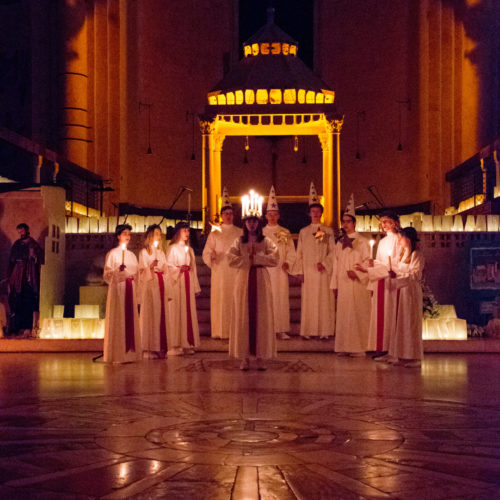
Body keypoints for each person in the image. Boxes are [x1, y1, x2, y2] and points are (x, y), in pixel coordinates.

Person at [227, 213, 279, 370]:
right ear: (245, 223)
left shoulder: (266, 241)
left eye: (254, 221)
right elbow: (230, 258)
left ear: (258, 223)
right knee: (243, 315)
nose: (251, 224)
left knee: (261, 316)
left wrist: (257, 259)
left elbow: (275, 258)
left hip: (260, 278)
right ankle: (245, 357)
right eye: (249, 221)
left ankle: (261, 356)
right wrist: (246, 260)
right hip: (243, 279)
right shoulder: (238, 241)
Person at [356, 210, 400, 360]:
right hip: (381, 279)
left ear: (395, 222)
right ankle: (381, 347)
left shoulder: (399, 240)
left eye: (387, 221)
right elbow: (381, 262)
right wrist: (372, 265)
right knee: (381, 315)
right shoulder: (382, 242)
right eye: (382, 222)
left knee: (390, 314)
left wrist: (374, 269)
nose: (384, 225)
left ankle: (392, 348)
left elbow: (396, 262)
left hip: (392, 281)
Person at [330, 196, 371, 356]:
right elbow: (335, 264)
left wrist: (359, 273)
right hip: (344, 283)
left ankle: (359, 347)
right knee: (344, 315)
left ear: (354, 223)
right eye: (343, 221)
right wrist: (334, 284)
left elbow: (368, 262)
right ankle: (344, 346)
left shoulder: (362, 242)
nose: (345, 224)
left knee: (358, 313)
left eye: (348, 221)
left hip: (358, 284)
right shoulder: (339, 243)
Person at [294, 182, 335, 339]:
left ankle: (324, 331)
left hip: (323, 271)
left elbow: (332, 251)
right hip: (309, 272)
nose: (316, 214)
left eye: (318, 211)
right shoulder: (304, 232)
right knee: (310, 301)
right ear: (309, 214)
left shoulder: (328, 231)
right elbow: (300, 253)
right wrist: (300, 271)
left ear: (321, 213)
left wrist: (324, 263)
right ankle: (309, 330)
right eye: (313, 212)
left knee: (324, 300)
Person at [202, 187, 242, 339]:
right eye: (226, 214)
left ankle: (235, 330)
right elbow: (206, 252)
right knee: (221, 299)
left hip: (235, 270)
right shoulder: (215, 233)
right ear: (222, 215)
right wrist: (211, 255)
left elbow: (243, 250)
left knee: (234, 298)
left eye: (231, 214)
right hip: (220, 271)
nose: (229, 216)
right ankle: (219, 330)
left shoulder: (239, 232)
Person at [103, 224, 141, 363]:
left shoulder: (131, 255)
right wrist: (117, 271)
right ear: (118, 236)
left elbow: (137, 274)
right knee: (119, 319)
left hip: (130, 289)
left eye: (129, 234)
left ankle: (131, 353)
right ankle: (118, 353)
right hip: (118, 290)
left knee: (130, 318)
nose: (127, 236)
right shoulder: (112, 254)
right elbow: (107, 275)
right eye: (125, 233)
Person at [262, 186, 296, 340]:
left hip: (280, 270)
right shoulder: (261, 232)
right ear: (265, 215)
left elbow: (289, 249)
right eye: (270, 214)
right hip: (266, 270)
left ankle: (281, 329)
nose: (272, 217)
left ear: (278, 215)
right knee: (267, 299)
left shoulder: (284, 232)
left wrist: (288, 262)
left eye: (274, 214)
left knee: (280, 299)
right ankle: (267, 328)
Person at [388, 227, 425, 367]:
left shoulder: (417, 254)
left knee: (411, 323)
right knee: (402, 323)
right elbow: (401, 271)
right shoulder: (404, 254)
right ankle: (402, 355)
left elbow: (415, 275)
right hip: (402, 290)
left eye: (401, 238)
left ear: (407, 239)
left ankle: (414, 357)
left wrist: (400, 273)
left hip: (411, 291)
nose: (399, 240)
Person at [166, 222, 201, 354]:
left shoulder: (190, 250)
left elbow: (194, 269)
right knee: (177, 312)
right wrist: (179, 269)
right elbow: (168, 267)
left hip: (187, 282)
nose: (187, 233)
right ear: (178, 232)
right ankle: (175, 344)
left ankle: (187, 343)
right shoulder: (172, 248)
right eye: (184, 230)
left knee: (187, 312)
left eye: (188, 231)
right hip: (177, 284)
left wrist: (195, 287)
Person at [138, 224, 171, 359]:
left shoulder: (161, 253)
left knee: (159, 314)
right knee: (150, 314)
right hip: (150, 285)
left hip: (160, 284)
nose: (159, 236)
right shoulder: (144, 253)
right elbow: (141, 271)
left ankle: (159, 346)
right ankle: (148, 346)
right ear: (150, 235)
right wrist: (150, 268)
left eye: (160, 233)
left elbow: (166, 270)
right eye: (156, 233)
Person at [7, 223, 43, 336]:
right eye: (19, 231)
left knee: (28, 300)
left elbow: (38, 258)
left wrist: (33, 258)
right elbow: (11, 260)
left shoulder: (33, 244)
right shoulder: (17, 244)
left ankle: (27, 327)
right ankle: (17, 326)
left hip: (28, 276)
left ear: (26, 230)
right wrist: (10, 276)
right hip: (17, 275)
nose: (20, 233)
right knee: (16, 300)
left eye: (22, 231)